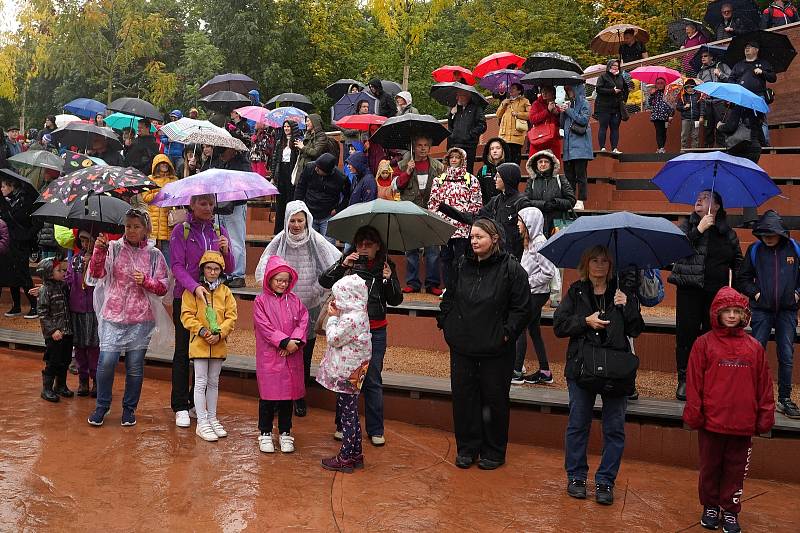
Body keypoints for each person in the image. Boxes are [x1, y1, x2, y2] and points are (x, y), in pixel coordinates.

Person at [554, 245, 644, 504]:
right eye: (594, 260)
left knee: (614, 427)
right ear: (586, 263)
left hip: (615, 370)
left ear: (611, 265)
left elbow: (636, 329)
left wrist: (627, 306)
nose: (600, 265)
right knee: (578, 423)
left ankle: (605, 481)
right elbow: (559, 325)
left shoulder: (621, 292)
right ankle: (577, 476)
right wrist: (585, 321)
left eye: (604, 261)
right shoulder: (576, 291)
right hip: (582, 367)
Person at [439, 218, 531, 469]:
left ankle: (493, 450)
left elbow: (522, 308)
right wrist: (446, 324)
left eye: (480, 236)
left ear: (495, 239)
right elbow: (450, 297)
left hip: (496, 349)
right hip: (463, 347)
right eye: (472, 237)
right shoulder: (461, 265)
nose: (474, 240)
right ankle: (467, 448)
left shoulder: (511, 269)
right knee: (464, 399)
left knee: (494, 399)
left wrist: (505, 334)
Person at [683, 287, 774, 532]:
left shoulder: (754, 347)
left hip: (743, 423)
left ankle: (731, 509)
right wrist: (695, 412)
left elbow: (764, 385)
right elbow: (694, 382)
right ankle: (710, 506)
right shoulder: (703, 344)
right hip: (712, 421)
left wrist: (765, 415)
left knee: (735, 470)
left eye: (737, 311)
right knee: (710, 467)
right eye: (727, 311)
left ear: (745, 316)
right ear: (717, 314)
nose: (732, 316)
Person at [254, 200, 341, 417]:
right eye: (292, 220)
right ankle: (277, 395)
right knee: (279, 350)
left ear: (307, 221)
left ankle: (299, 395)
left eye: (300, 220)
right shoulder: (280, 239)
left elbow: (330, 263)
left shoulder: (316, 240)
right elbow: (266, 263)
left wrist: (317, 289)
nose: (296, 224)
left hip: (308, 303)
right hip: (281, 304)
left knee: (303, 352)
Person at [319, 225, 403, 447]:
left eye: (369, 244)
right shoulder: (349, 262)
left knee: (372, 378)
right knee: (346, 377)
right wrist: (342, 265)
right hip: (351, 330)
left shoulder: (386, 266)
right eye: (360, 244)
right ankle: (342, 424)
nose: (364, 248)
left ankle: (375, 429)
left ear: (378, 246)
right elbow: (325, 281)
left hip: (375, 329)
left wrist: (390, 279)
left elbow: (395, 300)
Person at [86, 209, 171, 427]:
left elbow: (163, 287)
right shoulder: (112, 248)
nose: (131, 230)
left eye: (136, 226)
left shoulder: (154, 255)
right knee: (106, 362)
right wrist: (98, 252)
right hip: (113, 315)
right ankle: (102, 406)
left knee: (134, 366)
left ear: (145, 229)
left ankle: (129, 409)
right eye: (128, 226)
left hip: (141, 318)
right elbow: (96, 276)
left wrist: (147, 281)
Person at [668, 190, 742, 401]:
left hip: (716, 294)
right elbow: (675, 251)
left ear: (717, 206)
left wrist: (734, 292)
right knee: (686, 335)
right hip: (690, 290)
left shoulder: (727, 232)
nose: (698, 200)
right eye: (698, 197)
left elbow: (738, 262)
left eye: (705, 197)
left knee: (712, 336)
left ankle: (710, 378)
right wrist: (698, 230)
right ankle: (684, 379)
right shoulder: (686, 226)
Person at [169, 194, 234, 428]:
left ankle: (195, 402)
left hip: (213, 302)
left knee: (206, 351)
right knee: (183, 351)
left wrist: (227, 251)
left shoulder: (219, 231)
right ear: (192, 205)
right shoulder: (181, 231)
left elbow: (231, 267)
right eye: (202, 203)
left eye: (210, 203)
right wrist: (195, 287)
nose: (208, 207)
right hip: (186, 298)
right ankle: (180, 406)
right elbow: (176, 265)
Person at [736, 210, 800, 419]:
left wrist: (797, 294)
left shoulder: (795, 249)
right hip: (761, 310)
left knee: (787, 356)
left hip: (787, 311)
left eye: (771, 235)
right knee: (755, 353)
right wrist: (755, 294)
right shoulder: (755, 250)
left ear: (780, 233)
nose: (767, 239)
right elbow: (742, 278)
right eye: (764, 235)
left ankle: (784, 399)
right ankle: (751, 397)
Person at [180, 250, 237, 442]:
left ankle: (212, 417)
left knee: (214, 382)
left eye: (216, 269)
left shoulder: (226, 292)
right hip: (200, 344)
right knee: (200, 381)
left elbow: (231, 317)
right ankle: (202, 421)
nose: (212, 272)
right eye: (209, 268)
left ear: (221, 271)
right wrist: (203, 332)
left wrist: (220, 333)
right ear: (203, 269)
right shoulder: (193, 291)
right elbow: (187, 315)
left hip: (218, 344)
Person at [254, 255, 309, 454]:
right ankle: (265, 432)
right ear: (270, 279)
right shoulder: (260, 301)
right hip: (270, 355)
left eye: (285, 281)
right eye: (278, 280)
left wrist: (295, 342)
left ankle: (285, 431)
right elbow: (264, 327)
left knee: (288, 397)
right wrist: (284, 341)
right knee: (268, 397)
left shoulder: (295, 301)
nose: (282, 284)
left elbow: (303, 321)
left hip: (291, 355)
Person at [317, 274, 372, 472]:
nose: (335, 301)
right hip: (356, 371)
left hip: (347, 374)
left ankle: (346, 456)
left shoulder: (350, 319)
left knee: (347, 415)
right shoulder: (361, 313)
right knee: (352, 412)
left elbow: (333, 338)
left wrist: (332, 318)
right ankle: (356, 453)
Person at [513, 207, 557, 385]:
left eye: (520, 221)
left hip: (536, 294)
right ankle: (545, 371)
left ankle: (516, 371)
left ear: (529, 223)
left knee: (520, 328)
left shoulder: (539, 242)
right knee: (534, 330)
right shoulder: (530, 241)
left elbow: (548, 272)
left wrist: (526, 282)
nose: (517, 224)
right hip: (533, 292)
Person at [428, 147, 483, 287]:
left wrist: (468, 220)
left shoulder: (471, 180)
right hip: (443, 226)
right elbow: (433, 203)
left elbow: (476, 204)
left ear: (462, 160)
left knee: (461, 258)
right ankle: (448, 288)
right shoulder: (439, 180)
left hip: (463, 227)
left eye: (457, 157)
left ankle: (461, 287)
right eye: (451, 157)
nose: (454, 160)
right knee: (445, 258)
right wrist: (436, 221)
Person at [396, 136, 444, 294]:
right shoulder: (403, 165)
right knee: (411, 250)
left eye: (426, 145)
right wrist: (408, 172)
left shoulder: (438, 166)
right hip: (411, 212)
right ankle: (413, 283)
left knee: (433, 250)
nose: (423, 148)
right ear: (413, 147)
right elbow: (396, 187)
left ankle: (432, 283)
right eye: (419, 145)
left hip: (431, 212)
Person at [211, 147, 251, 288]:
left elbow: (245, 183)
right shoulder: (219, 161)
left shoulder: (242, 164)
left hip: (236, 206)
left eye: (224, 151)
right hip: (220, 207)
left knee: (235, 242)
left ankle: (238, 275)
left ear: (232, 149)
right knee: (221, 241)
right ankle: (227, 272)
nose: (221, 154)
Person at [66, 231, 100, 398]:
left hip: (94, 309)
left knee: (95, 347)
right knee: (79, 347)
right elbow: (68, 279)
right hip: (77, 308)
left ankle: (96, 380)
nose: (85, 243)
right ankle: (83, 380)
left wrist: (92, 264)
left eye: (88, 240)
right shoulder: (74, 259)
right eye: (82, 240)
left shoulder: (100, 258)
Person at [0, 175, 38, 319]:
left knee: (23, 275)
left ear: (12, 186)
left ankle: (34, 305)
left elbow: (31, 221)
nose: (2, 189)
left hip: (21, 243)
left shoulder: (24, 200)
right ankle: (16, 306)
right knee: (11, 275)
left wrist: (27, 235)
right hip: (9, 242)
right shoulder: (7, 201)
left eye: (4, 186)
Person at [293, 153, 351, 243]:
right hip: (309, 212)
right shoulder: (309, 168)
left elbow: (348, 196)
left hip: (327, 215)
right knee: (307, 243)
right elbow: (300, 187)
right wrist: (299, 207)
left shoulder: (340, 178)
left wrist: (337, 209)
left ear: (327, 171)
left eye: (319, 169)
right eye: (316, 166)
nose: (316, 169)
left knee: (328, 246)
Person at [37, 258, 73, 402]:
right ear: (49, 274)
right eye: (59, 270)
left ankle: (61, 385)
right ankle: (47, 388)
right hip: (54, 334)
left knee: (65, 359)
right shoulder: (45, 290)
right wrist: (52, 330)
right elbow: (43, 313)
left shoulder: (62, 286)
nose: (62, 272)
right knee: (53, 361)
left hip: (66, 331)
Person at [524, 150, 576, 236]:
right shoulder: (532, 181)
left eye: (546, 162)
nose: (543, 164)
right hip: (537, 226)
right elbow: (526, 202)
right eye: (540, 162)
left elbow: (571, 201)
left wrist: (555, 203)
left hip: (557, 226)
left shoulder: (561, 179)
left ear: (552, 164)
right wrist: (543, 204)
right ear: (536, 164)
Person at [560, 83, 593, 210]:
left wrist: (568, 110)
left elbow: (583, 120)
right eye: (567, 90)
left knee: (581, 175)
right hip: (568, 148)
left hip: (581, 148)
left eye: (570, 89)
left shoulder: (584, 103)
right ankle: (571, 199)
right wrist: (563, 112)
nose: (569, 92)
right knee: (569, 176)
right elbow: (562, 124)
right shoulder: (569, 104)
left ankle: (581, 199)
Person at [141, 154, 178, 264]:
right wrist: (160, 193)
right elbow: (146, 197)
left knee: (167, 249)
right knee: (151, 249)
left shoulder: (174, 180)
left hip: (168, 219)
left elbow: (178, 196)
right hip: (154, 219)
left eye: (166, 163)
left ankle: (167, 273)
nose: (164, 165)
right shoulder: (150, 179)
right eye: (161, 163)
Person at [270, 120, 302, 234]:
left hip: (291, 172)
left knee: (290, 200)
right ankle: (278, 230)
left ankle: (289, 229)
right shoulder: (280, 142)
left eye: (288, 126)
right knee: (280, 203)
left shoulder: (297, 142)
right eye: (285, 126)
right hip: (281, 172)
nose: (286, 128)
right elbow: (275, 160)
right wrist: (273, 176)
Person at [697, 50, 732, 148]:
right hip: (707, 103)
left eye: (705, 56)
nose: (703, 58)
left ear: (711, 57)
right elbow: (699, 90)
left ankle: (722, 148)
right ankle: (708, 149)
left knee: (720, 127)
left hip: (720, 102)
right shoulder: (700, 73)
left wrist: (720, 75)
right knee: (708, 128)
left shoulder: (721, 66)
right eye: (702, 57)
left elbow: (731, 80)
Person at [447, 89, 487, 174]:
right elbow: (450, 126)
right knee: (453, 171)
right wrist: (451, 114)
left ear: (468, 96)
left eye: (461, 95)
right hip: (454, 145)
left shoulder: (476, 108)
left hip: (468, 146)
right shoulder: (455, 108)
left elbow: (482, 126)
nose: (458, 98)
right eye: (457, 95)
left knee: (467, 171)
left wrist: (470, 135)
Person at [594, 60, 628, 154]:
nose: (615, 67)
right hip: (604, 107)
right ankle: (602, 147)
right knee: (603, 127)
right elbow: (598, 89)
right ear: (609, 66)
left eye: (617, 65)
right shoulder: (603, 77)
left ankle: (614, 148)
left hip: (616, 107)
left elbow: (626, 89)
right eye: (613, 65)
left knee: (615, 128)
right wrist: (612, 91)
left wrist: (623, 100)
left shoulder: (620, 77)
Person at [495, 83, 530, 165]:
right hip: (504, 135)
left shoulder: (524, 101)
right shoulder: (506, 101)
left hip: (516, 136)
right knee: (505, 159)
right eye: (510, 88)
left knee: (515, 159)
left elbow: (530, 114)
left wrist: (518, 114)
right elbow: (498, 114)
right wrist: (504, 104)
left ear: (519, 90)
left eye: (514, 88)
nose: (511, 90)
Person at [528, 85, 563, 162]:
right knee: (537, 163)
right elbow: (532, 119)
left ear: (553, 94)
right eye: (543, 91)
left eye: (547, 91)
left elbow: (561, 124)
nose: (544, 93)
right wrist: (547, 111)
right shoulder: (536, 104)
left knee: (553, 163)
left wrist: (557, 114)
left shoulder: (556, 107)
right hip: (539, 138)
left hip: (553, 140)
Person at [294, 114, 329, 179]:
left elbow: (315, 152)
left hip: (314, 171)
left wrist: (302, 147)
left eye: (308, 121)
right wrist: (299, 148)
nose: (306, 123)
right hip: (303, 169)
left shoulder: (322, 136)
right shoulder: (307, 135)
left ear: (314, 122)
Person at [476, 137, 508, 204]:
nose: (494, 151)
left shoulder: (508, 168)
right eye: (491, 149)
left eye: (498, 148)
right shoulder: (483, 170)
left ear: (503, 150)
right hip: (487, 206)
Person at [648, 77, 674, 154]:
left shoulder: (668, 93)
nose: (659, 85)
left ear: (665, 84)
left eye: (661, 83)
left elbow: (672, 105)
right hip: (656, 116)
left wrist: (671, 115)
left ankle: (662, 147)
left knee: (664, 132)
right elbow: (650, 103)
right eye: (658, 83)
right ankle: (660, 147)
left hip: (665, 116)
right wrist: (652, 95)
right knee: (659, 131)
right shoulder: (655, 93)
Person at [678, 79, 702, 150]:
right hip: (686, 119)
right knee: (684, 135)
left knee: (695, 135)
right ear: (685, 88)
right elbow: (678, 107)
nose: (690, 89)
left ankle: (694, 150)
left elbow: (701, 107)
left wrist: (701, 116)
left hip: (696, 119)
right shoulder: (683, 96)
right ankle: (683, 149)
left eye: (692, 87)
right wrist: (684, 107)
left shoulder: (698, 96)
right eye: (688, 87)